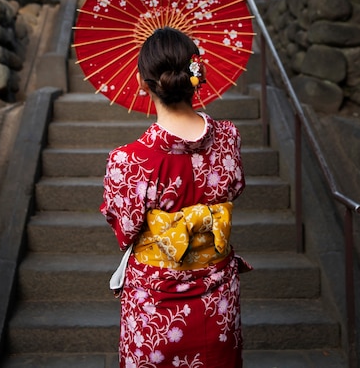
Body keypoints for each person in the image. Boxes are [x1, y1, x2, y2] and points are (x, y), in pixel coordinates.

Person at [100, 27, 251, 368]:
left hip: (156, 304)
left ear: (142, 82)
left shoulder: (129, 161)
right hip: (218, 296)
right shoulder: (228, 138)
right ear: (196, 76)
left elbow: (125, 230)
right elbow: (237, 187)